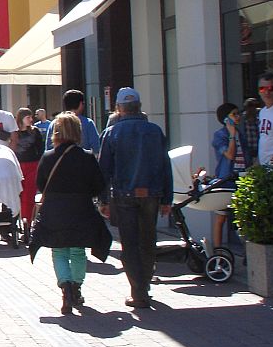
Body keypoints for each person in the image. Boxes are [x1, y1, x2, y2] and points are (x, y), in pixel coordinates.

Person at [29, 113, 112, 315]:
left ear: (56, 132)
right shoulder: (87, 157)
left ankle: (65, 287)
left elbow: (40, 185)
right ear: (77, 131)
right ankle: (76, 287)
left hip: (54, 211)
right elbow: (98, 185)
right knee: (77, 251)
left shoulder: (48, 157)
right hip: (80, 210)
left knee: (58, 251)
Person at [98, 87, 173, 309]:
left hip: (123, 194)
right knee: (148, 241)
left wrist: (102, 200)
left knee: (129, 244)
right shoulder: (155, 131)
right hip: (152, 193)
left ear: (119, 108)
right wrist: (167, 199)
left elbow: (104, 170)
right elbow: (165, 166)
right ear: (139, 107)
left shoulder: (112, 133)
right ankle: (144, 286)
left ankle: (138, 291)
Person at [210, 102, 247, 255]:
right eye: (234, 114)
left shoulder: (241, 134)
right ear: (225, 118)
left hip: (242, 177)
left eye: (238, 113)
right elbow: (230, 155)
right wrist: (231, 134)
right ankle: (218, 252)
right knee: (221, 217)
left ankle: (247, 251)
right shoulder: (220, 135)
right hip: (227, 179)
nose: (238, 117)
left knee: (243, 216)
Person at [13, 108, 45, 241]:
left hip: (33, 165)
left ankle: (27, 225)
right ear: (21, 118)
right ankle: (16, 224)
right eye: (28, 117)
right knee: (17, 196)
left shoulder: (35, 131)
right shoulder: (14, 132)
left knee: (29, 195)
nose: (31, 120)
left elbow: (41, 149)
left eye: (31, 117)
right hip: (17, 166)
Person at [257, 70, 273, 166]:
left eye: (271, 88)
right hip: (264, 167)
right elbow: (264, 139)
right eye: (262, 88)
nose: (266, 92)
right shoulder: (262, 112)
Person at [240, 97, 262, 167]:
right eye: (250, 105)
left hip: (258, 151)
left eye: (255, 105)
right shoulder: (241, 120)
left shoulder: (260, 119)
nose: (252, 108)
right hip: (245, 151)